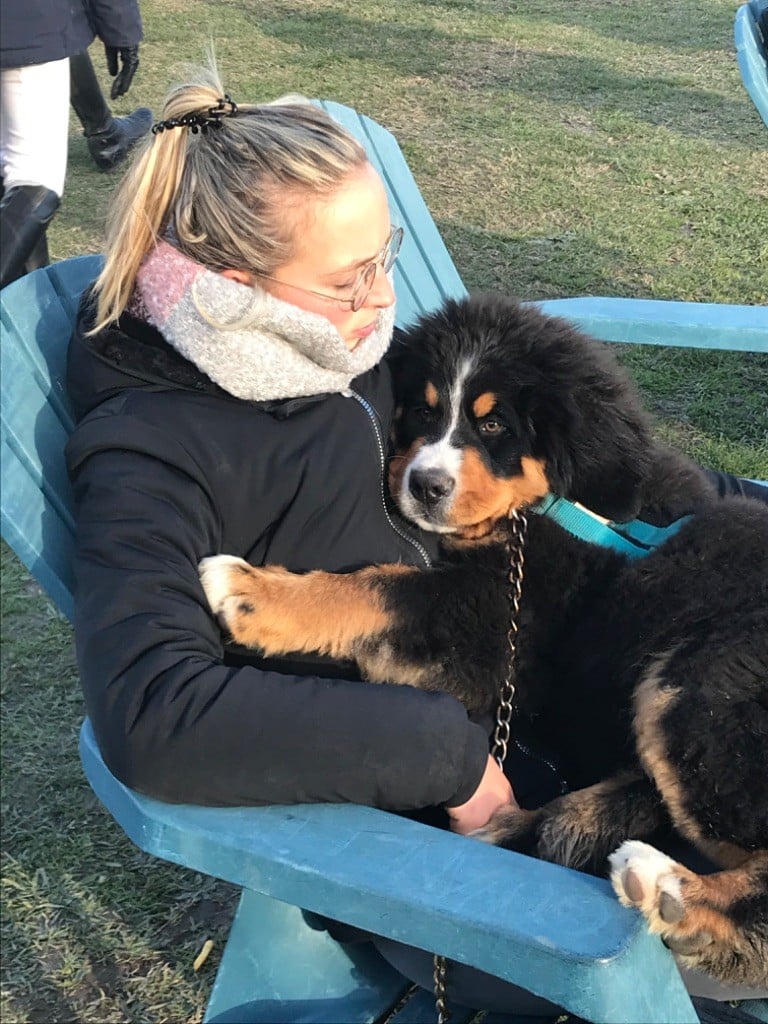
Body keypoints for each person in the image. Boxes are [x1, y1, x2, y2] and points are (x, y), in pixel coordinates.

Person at [64, 62, 768, 1019]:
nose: (382, 298)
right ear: (234, 290)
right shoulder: (152, 450)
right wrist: (450, 758)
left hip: (596, 739)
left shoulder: (356, 351)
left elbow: (605, 473)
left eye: (386, 258)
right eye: (351, 277)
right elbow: (152, 713)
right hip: (456, 863)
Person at [0, 0, 145, 288]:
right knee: (35, 182)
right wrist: (121, 28)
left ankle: (29, 296)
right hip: (24, 24)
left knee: (10, 164)